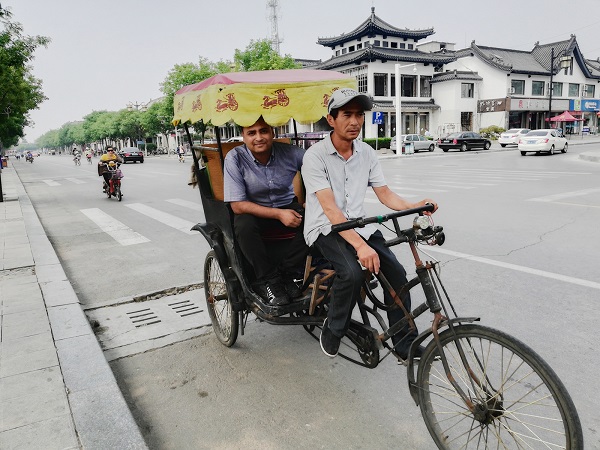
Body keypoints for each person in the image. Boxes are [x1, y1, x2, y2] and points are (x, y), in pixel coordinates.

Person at [301, 88, 438, 361]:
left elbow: (385, 194)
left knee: (397, 275)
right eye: (347, 115)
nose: (354, 122)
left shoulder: (366, 152)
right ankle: (333, 328)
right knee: (351, 272)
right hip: (325, 227)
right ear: (331, 119)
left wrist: (416, 205)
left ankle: (404, 343)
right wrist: (360, 248)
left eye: (359, 115)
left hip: (360, 225)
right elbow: (329, 208)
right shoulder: (315, 156)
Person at [223, 116, 308, 307]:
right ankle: (268, 279)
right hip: (253, 212)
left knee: (318, 219)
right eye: (251, 133)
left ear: (272, 133)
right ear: (243, 136)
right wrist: (279, 214)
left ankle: (288, 272)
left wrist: (311, 200)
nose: (258, 137)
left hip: (287, 205)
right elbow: (237, 205)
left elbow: (319, 171)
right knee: (243, 225)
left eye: (263, 131)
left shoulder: (292, 153)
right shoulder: (235, 158)